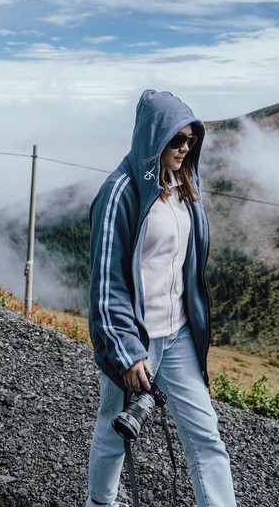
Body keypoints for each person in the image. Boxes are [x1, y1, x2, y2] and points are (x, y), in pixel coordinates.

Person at [85, 89, 236, 507]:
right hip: (138, 339)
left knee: (206, 436)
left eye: (190, 140)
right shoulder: (120, 192)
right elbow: (105, 281)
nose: (185, 148)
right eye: (177, 139)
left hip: (179, 335)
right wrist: (126, 350)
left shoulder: (183, 187)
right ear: (154, 136)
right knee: (116, 430)